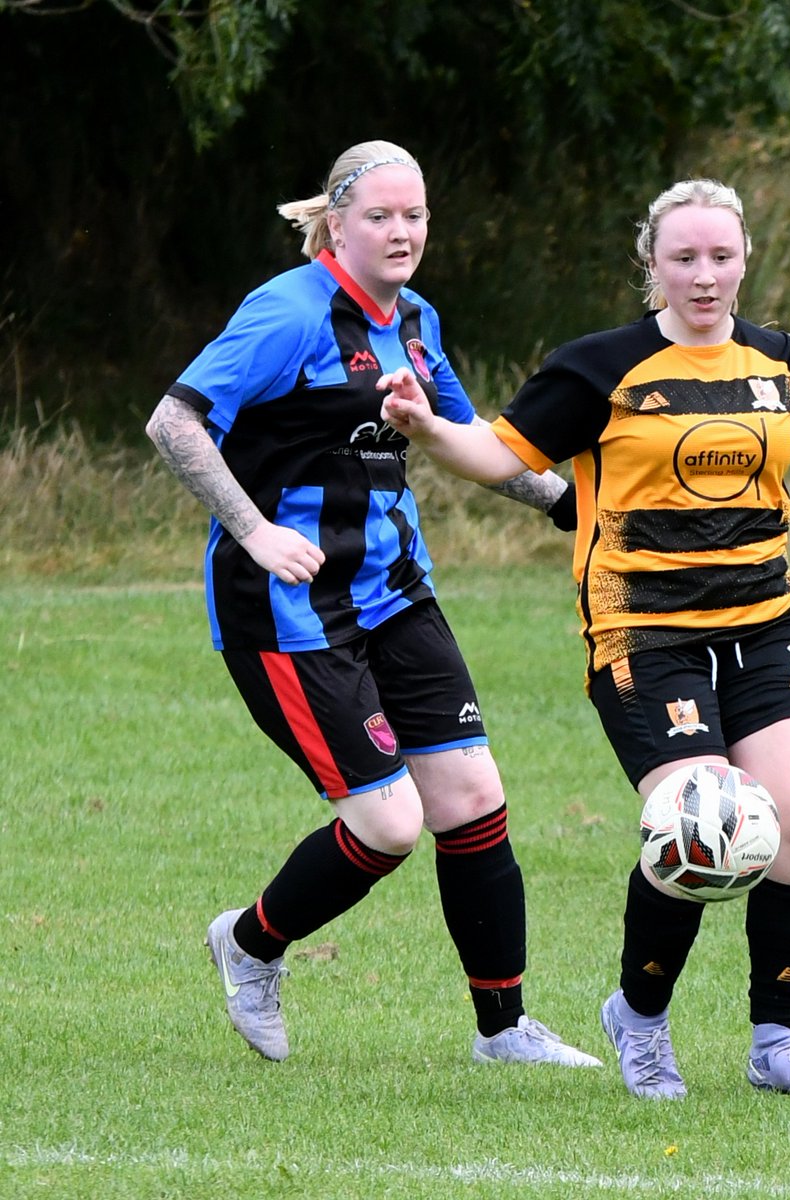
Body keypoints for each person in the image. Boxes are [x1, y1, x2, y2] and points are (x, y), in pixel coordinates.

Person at [379, 177, 790, 1101]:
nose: (704, 276)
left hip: (765, 629)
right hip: (644, 635)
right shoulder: (598, 367)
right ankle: (639, 1022)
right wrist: (424, 426)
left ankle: (779, 1040)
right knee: (702, 823)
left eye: (721, 257)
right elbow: (499, 455)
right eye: (684, 258)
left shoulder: (783, 366)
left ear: (744, 261)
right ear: (650, 264)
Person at [145, 139, 598, 1070]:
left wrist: (574, 506)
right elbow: (173, 420)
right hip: (291, 607)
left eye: (416, 215)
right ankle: (250, 944)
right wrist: (252, 529)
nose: (401, 232)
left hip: (396, 591)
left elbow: (466, 441)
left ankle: (505, 1031)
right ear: (338, 221)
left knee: (472, 798)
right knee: (388, 823)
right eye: (380, 216)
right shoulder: (287, 312)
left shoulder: (416, 319)